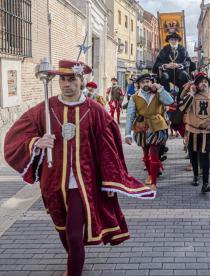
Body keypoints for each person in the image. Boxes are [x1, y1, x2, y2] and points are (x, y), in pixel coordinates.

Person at [4, 59, 156, 276]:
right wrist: (35, 142)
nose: (66, 84)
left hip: (82, 183)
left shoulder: (95, 111)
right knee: (63, 230)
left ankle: (74, 271)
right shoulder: (45, 109)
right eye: (62, 79)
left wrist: (110, 180)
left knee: (75, 235)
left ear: (81, 80)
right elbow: (15, 136)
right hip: (53, 182)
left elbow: (108, 150)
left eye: (72, 79)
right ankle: (72, 262)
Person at [125, 74, 174, 191]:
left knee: (154, 155)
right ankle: (149, 174)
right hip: (141, 127)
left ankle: (153, 183)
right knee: (146, 155)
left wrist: (160, 89)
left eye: (147, 82)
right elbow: (130, 115)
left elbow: (170, 101)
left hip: (157, 126)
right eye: (143, 82)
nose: (145, 84)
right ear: (139, 84)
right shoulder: (135, 97)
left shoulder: (158, 93)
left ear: (152, 82)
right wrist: (127, 134)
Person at [177, 72, 210, 193]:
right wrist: (192, 93)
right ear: (197, 84)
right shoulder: (191, 96)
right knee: (193, 154)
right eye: (201, 82)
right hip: (192, 130)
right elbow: (182, 107)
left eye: (205, 82)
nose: (203, 84)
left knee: (205, 156)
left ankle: (205, 183)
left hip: (206, 132)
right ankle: (195, 175)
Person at [152, 32, 192, 103]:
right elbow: (158, 63)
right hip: (167, 71)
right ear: (169, 41)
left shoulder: (183, 50)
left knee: (184, 75)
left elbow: (188, 62)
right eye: (172, 39)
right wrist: (166, 66)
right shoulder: (164, 50)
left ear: (178, 41)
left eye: (175, 39)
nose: (174, 41)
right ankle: (167, 96)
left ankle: (181, 96)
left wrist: (179, 65)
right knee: (164, 76)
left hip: (179, 70)